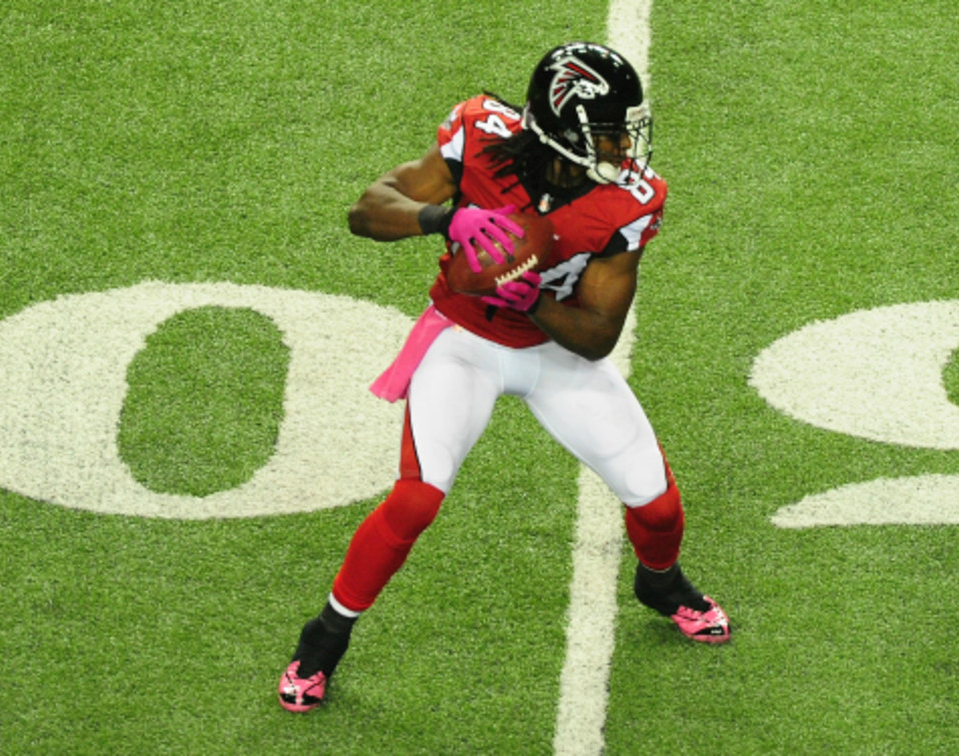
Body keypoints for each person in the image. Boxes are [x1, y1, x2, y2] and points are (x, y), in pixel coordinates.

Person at [278, 41, 730, 713]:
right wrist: (444, 216)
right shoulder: (480, 135)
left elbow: (599, 333)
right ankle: (323, 639)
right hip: (463, 338)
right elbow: (368, 209)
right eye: (606, 131)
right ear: (560, 129)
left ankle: (660, 584)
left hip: (554, 350)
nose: (622, 146)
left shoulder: (628, 203)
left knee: (658, 505)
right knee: (415, 501)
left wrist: (531, 297)